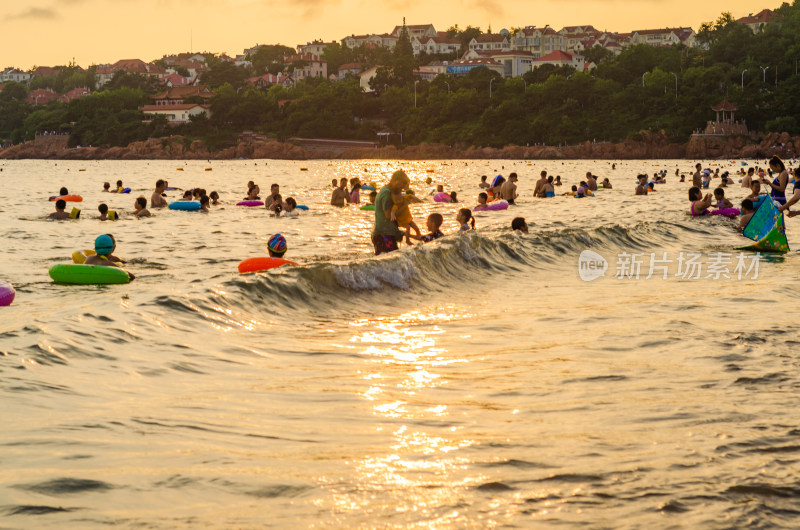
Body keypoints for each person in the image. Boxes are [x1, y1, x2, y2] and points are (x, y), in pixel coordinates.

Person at [372, 170, 409, 255]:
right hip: (384, 235)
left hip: (383, 233)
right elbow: (388, 216)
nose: (402, 187)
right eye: (402, 184)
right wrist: (405, 206)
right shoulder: (387, 194)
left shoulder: (385, 189)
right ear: (396, 180)